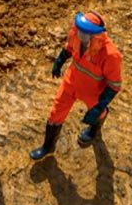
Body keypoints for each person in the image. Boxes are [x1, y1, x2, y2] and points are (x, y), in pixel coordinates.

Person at [29, 12, 122, 160]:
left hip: (93, 90)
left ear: (95, 36)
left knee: (98, 112)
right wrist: (59, 61)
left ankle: (94, 130)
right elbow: (69, 48)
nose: (80, 35)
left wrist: (99, 107)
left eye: (84, 33)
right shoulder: (77, 35)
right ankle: (47, 147)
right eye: (79, 30)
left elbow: (114, 85)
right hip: (71, 81)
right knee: (56, 111)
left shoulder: (110, 55)